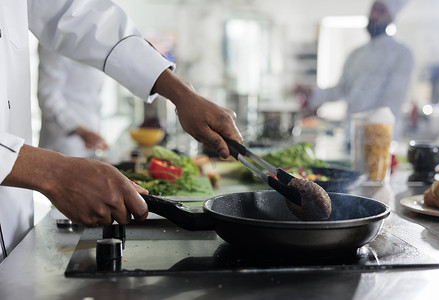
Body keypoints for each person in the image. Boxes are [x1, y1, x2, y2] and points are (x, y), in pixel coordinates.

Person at [0, 0, 242, 259]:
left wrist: (182, 93)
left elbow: (78, 15)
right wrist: (54, 173)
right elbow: (49, 96)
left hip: (13, 219)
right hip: (57, 148)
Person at [296, 0, 414, 141]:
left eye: (381, 11)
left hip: (380, 138)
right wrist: (312, 92)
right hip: (351, 136)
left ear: (391, 18)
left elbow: (392, 102)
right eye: (373, 9)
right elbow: (341, 89)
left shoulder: (402, 54)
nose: (374, 15)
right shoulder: (356, 54)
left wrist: (367, 126)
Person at [37, 44, 109, 157]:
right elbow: (48, 97)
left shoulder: (95, 46)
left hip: (91, 142)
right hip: (62, 145)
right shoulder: (52, 43)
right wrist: (82, 131)